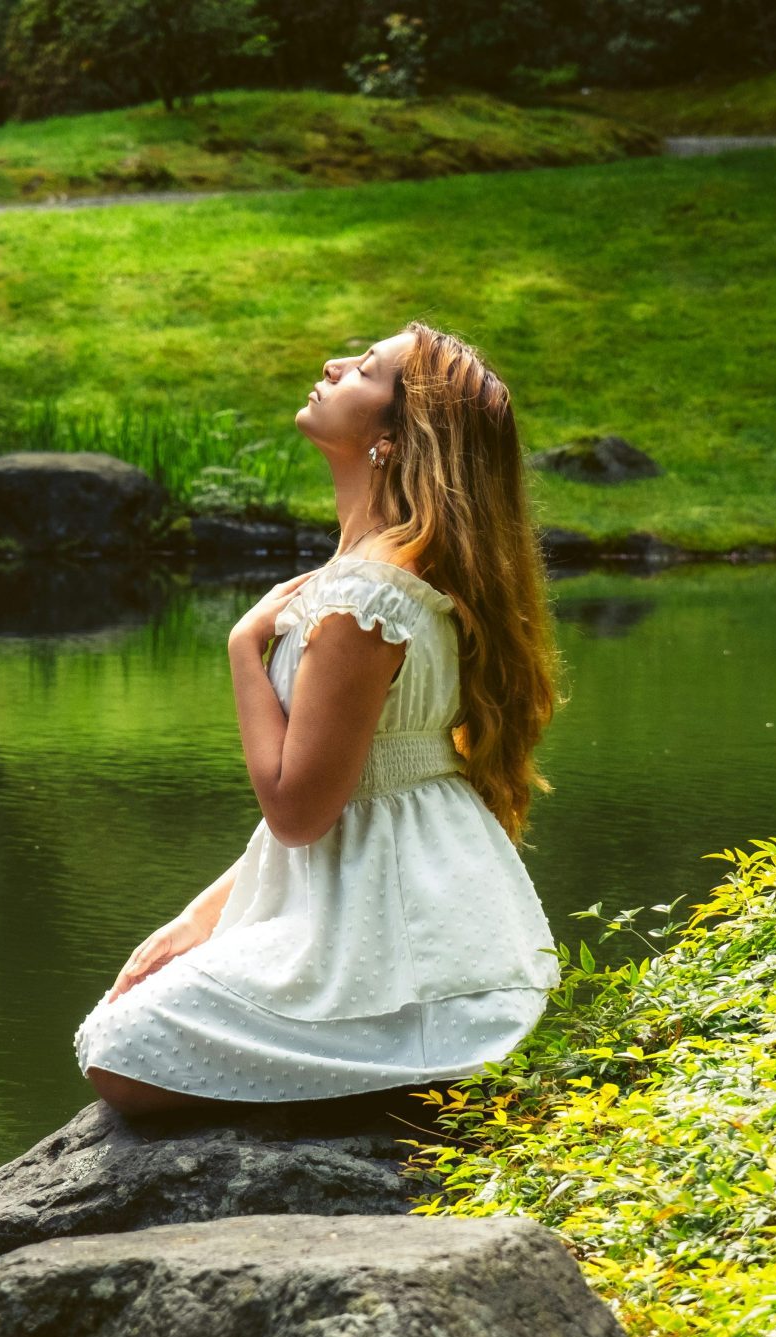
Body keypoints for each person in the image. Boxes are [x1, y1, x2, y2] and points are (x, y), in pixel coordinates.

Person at [73, 320, 564, 1112]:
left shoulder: (366, 598)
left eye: (365, 371)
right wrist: (198, 920)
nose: (333, 365)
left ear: (395, 439)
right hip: (399, 913)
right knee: (129, 1019)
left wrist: (242, 652)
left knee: (123, 1051)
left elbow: (300, 810)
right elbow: (349, 793)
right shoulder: (380, 574)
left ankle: (390, 1074)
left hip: (403, 938)